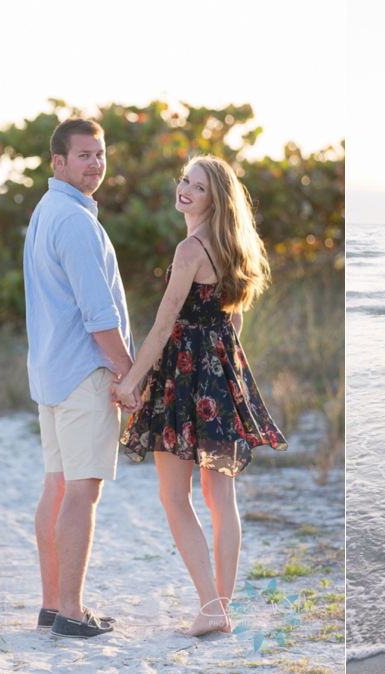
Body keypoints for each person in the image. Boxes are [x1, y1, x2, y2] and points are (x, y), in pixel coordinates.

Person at [112, 155, 287, 636]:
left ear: (216, 199)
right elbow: (234, 320)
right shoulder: (232, 248)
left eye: (199, 186)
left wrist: (131, 382)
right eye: (185, 181)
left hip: (186, 376)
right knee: (219, 496)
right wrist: (221, 365)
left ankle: (212, 607)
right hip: (219, 374)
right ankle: (221, 608)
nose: (185, 190)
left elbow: (164, 324)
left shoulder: (190, 249)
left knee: (175, 495)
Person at [24, 118, 135, 638]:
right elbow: (100, 315)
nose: (94, 163)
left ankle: (52, 605)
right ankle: (70, 610)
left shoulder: (48, 212)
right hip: (83, 374)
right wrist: (129, 374)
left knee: (57, 486)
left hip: (51, 372)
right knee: (80, 494)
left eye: (100, 153)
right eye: (84, 154)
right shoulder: (74, 221)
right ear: (58, 163)